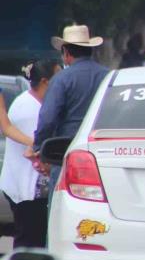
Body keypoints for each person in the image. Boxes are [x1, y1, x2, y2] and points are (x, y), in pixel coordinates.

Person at [33, 25, 110, 194]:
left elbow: (48, 118)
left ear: (66, 53)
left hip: (67, 151)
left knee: (61, 205)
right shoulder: (109, 76)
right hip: (102, 150)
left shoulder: (61, 79)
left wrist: (39, 147)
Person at [1, 61, 58, 256]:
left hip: (27, 188)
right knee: (30, 243)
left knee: (33, 240)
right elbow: (9, 130)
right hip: (27, 189)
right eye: (57, 79)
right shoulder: (30, 109)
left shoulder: (34, 102)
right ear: (44, 82)